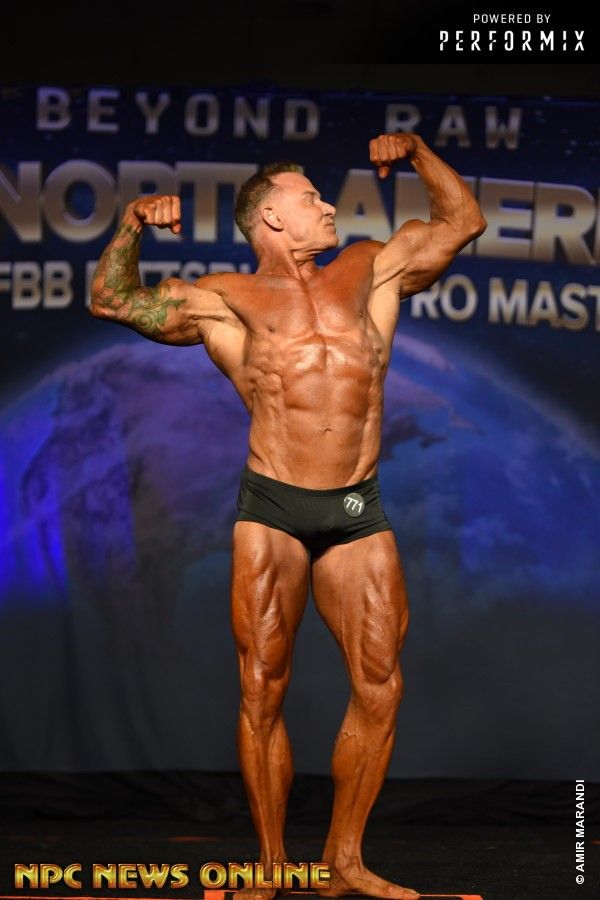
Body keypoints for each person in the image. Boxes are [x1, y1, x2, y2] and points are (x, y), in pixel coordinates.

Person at [89, 133, 486, 900]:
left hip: (355, 505)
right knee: (262, 688)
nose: (329, 206)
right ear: (271, 217)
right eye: (311, 199)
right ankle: (272, 866)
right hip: (272, 507)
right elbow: (113, 299)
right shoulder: (228, 299)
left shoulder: (370, 268)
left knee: (381, 686)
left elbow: (462, 222)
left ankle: (343, 862)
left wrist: (417, 152)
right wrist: (132, 223)